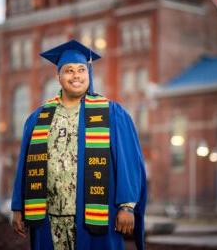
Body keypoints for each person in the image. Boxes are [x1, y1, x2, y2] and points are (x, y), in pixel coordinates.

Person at [11, 39, 147, 250]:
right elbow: (24, 165)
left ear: (88, 73)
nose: (76, 75)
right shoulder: (38, 118)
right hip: (49, 218)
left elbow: (128, 162)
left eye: (81, 70)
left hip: (95, 215)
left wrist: (127, 206)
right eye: (69, 70)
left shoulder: (111, 113)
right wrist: (18, 207)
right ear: (58, 76)